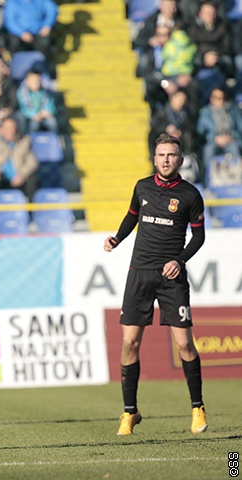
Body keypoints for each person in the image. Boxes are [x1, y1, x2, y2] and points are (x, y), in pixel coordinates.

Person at [103, 133, 207, 436]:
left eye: (171, 155)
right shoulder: (142, 187)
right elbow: (131, 217)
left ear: (180, 160)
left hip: (171, 276)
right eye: (161, 154)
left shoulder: (190, 195)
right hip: (139, 273)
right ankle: (129, 412)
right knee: (130, 343)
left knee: (184, 343)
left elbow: (199, 236)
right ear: (154, 158)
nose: (166, 159)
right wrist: (117, 238)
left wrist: (180, 260)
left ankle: (197, 407)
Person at [0, 117, 38, 200]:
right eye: (7, 128)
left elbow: (32, 162)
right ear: (1, 129)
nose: (11, 131)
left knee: (32, 181)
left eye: (13, 128)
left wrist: (22, 174)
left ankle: (32, 207)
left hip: (18, 175)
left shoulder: (24, 140)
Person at [197, 87, 242, 169]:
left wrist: (231, 137)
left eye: (220, 98)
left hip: (231, 139)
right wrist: (214, 138)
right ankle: (208, 174)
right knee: (209, 150)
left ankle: (237, 174)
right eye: (215, 97)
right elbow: (200, 131)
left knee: (235, 149)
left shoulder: (233, 110)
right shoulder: (205, 112)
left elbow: (240, 127)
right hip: (213, 140)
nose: (218, 100)